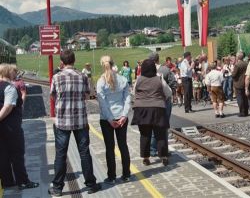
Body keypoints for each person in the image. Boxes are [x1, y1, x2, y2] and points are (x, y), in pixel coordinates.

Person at [48, 50, 101, 196]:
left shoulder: (57, 77)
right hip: (80, 121)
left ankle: (58, 188)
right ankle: (91, 184)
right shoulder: (82, 76)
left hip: (62, 121)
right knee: (84, 153)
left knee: (60, 154)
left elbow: (53, 96)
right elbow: (87, 95)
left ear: (62, 62)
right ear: (74, 60)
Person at [0, 64, 39, 190]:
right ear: (8, 73)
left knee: (3, 154)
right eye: (13, 72)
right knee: (17, 154)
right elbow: (8, 107)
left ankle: (7, 181)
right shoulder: (10, 88)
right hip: (11, 127)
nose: (15, 74)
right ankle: (22, 181)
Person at [97, 56, 131, 184]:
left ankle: (111, 176)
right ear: (113, 64)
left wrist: (110, 119)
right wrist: (124, 115)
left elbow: (102, 103)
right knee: (123, 146)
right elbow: (127, 98)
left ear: (103, 65)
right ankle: (126, 174)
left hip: (106, 119)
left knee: (109, 148)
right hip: (121, 116)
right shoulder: (122, 79)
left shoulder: (101, 81)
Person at [132, 59, 171, 166]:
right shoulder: (159, 78)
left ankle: (145, 157)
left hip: (141, 110)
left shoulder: (139, 79)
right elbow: (168, 93)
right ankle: (163, 156)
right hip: (157, 108)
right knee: (160, 134)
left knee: (145, 134)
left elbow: (134, 92)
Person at [148, 53, 176, 157]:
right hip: (164, 101)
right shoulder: (165, 70)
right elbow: (173, 83)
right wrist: (169, 93)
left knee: (152, 126)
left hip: (151, 102)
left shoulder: (145, 70)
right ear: (158, 59)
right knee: (164, 126)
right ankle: (163, 150)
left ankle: (152, 149)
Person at [232, 51, 249, 117]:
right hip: (245, 82)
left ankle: (242, 112)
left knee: (240, 98)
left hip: (238, 83)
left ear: (237, 57)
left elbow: (234, 75)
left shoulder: (237, 65)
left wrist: (231, 72)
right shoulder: (246, 63)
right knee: (245, 98)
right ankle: (246, 112)